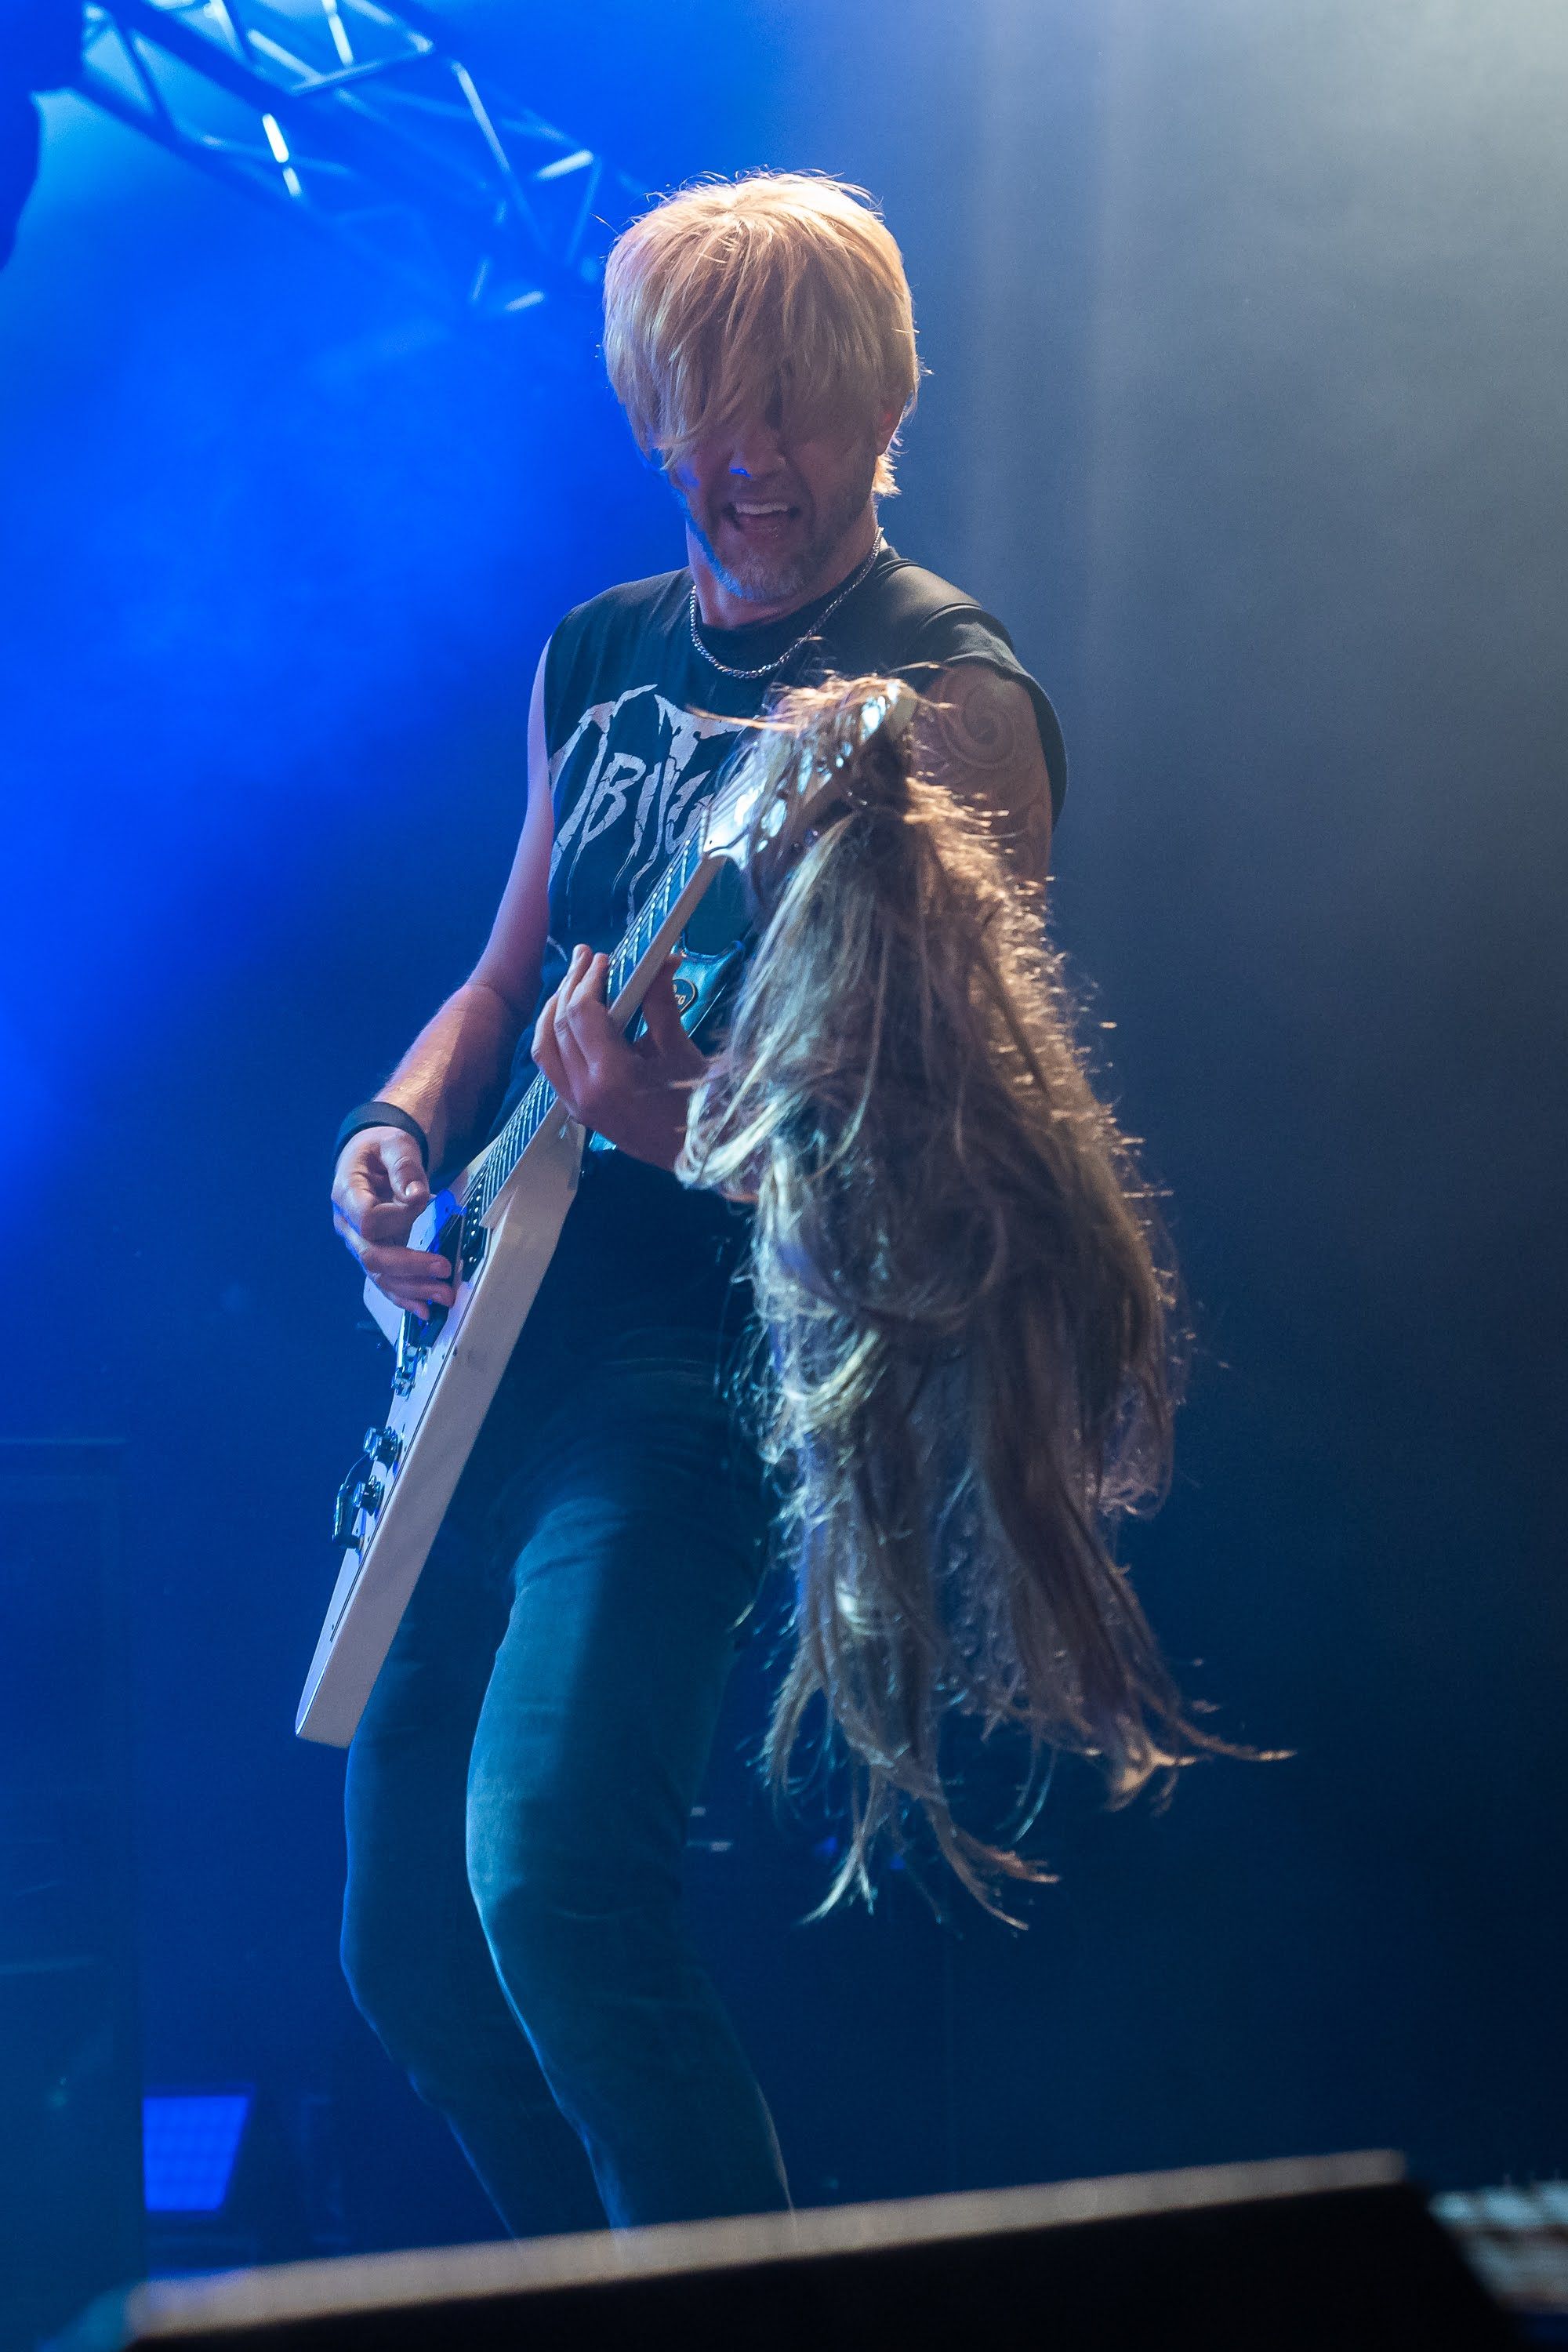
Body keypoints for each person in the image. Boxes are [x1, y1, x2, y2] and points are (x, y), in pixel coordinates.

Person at [328, 172, 1069, 2238]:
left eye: (794, 404)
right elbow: (503, 979)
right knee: (405, 1956)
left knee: (553, 1878)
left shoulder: (947, 700)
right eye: (703, 405)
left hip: (703, 1369)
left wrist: (686, 1132)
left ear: (887, 400)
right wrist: (392, 1129)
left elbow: (962, 1147)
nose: (746, 454)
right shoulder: (598, 654)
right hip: (490, 1347)